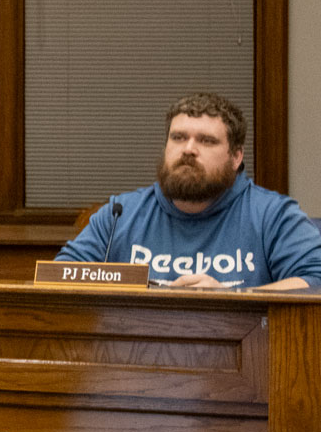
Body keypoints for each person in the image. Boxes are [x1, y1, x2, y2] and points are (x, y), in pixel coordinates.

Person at [56, 92, 321, 289]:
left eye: (206, 141)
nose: (188, 149)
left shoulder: (272, 215)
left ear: (236, 157)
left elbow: (315, 280)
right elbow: (58, 278)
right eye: (178, 137)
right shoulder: (119, 215)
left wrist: (233, 297)